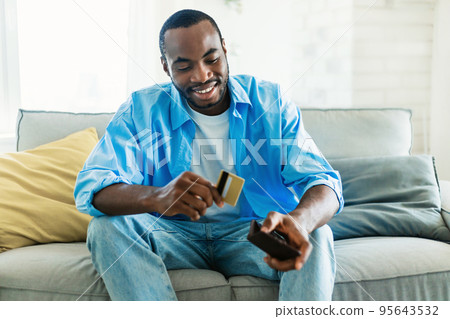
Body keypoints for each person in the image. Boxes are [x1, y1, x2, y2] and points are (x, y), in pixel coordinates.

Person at [74, 9, 344, 301]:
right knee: (105, 228)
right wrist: (157, 196)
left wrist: (300, 221)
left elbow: (323, 181)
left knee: (316, 233)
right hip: (172, 236)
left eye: (211, 59)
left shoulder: (270, 102)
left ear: (225, 49)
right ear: (166, 67)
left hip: (252, 234)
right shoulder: (141, 110)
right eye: (184, 66)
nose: (202, 75)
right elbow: (92, 187)